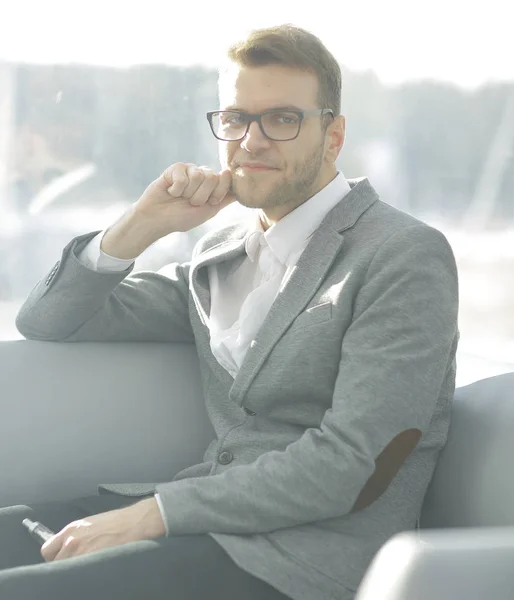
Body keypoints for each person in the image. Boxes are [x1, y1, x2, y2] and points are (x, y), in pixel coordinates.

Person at [5, 24, 459, 600]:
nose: (251, 140)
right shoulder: (219, 253)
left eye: (282, 118)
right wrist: (141, 225)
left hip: (305, 560)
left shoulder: (402, 252)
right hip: (201, 523)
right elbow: (46, 319)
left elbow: (354, 464)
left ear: (333, 135)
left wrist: (155, 514)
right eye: (236, 118)